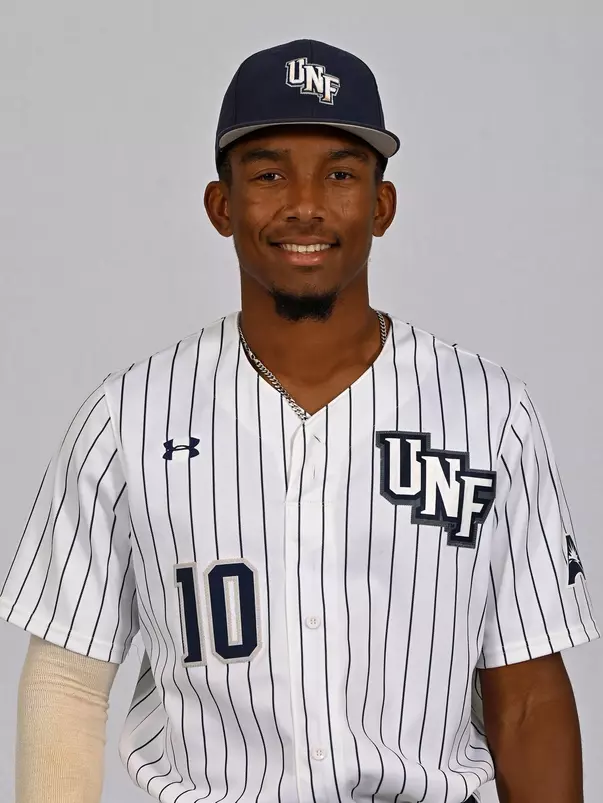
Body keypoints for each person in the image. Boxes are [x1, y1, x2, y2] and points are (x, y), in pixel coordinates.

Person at [0, 38, 598, 803]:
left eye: (340, 174)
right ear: (221, 205)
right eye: (268, 173)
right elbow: (67, 685)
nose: (305, 203)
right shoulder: (127, 419)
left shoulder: (487, 412)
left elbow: (526, 698)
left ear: (381, 205)